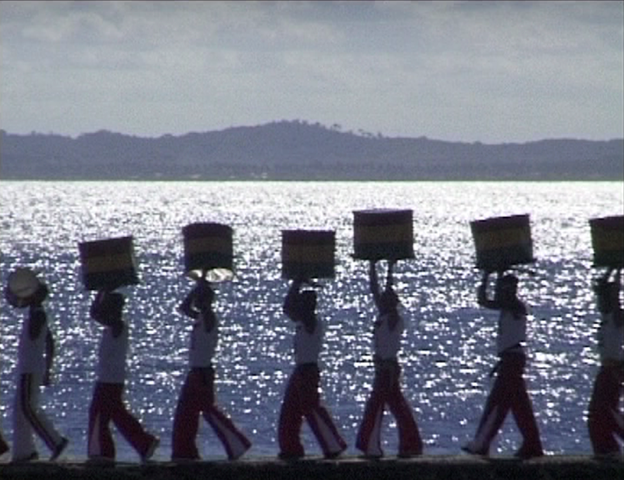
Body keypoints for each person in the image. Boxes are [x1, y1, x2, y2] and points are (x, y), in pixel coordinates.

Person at [462, 271, 543, 459]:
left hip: (512, 361)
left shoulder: (516, 307)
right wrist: (487, 275)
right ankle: (532, 444)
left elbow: (494, 300)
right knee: (519, 406)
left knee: (497, 403)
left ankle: (481, 444)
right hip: (510, 360)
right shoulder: (508, 307)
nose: (501, 293)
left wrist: (496, 273)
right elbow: (484, 300)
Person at [171, 277, 251, 461]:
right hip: (197, 371)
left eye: (200, 298)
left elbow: (201, 309)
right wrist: (197, 288)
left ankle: (236, 444)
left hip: (202, 372)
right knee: (192, 413)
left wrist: (203, 290)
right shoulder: (201, 316)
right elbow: (183, 308)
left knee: (199, 411)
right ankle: (187, 450)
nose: (196, 301)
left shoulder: (209, 317)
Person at [356, 260, 423, 459]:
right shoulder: (385, 315)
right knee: (397, 406)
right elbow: (375, 290)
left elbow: (384, 291)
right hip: (384, 368)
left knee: (376, 406)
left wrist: (389, 275)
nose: (381, 300)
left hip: (388, 368)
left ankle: (372, 447)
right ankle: (411, 444)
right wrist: (375, 266)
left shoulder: (394, 319)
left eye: (387, 299)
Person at [277, 277, 347, 460]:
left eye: (302, 303)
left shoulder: (311, 321)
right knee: (291, 411)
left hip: (307, 371)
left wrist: (298, 282)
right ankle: (291, 448)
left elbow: (289, 308)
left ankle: (333, 445)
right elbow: (288, 308)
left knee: (312, 409)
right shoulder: (305, 320)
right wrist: (297, 283)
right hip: (301, 369)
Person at [87, 289, 159, 463]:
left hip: (110, 380)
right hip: (109, 378)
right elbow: (96, 314)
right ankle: (144, 443)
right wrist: (101, 292)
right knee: (118, 415)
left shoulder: (118, 325)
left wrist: (102, 292)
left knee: (99, 415)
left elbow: (96, 314)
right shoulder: (113, 326)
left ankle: (102, 452)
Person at [10, 272, 69, 463]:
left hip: (30, 368)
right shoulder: (36, 314)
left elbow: (38, 336)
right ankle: (24, 451)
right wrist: (48, 367)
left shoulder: (37, 315)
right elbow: (49, 342)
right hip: (29, 368)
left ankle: (55, 442)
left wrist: (47, 368)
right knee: (20, 411)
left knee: (27, 409)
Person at [587, 267, 624, 456]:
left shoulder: (617, 317)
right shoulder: (606, 318)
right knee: (597, 414)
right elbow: (602, 287)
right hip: (606, 370)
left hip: (613, 372)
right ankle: (606, 448)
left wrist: (617, 270)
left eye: (603, 299)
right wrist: (610, 268)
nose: (599, 302)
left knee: (607, 411)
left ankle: (609, 448)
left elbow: (614, 295)